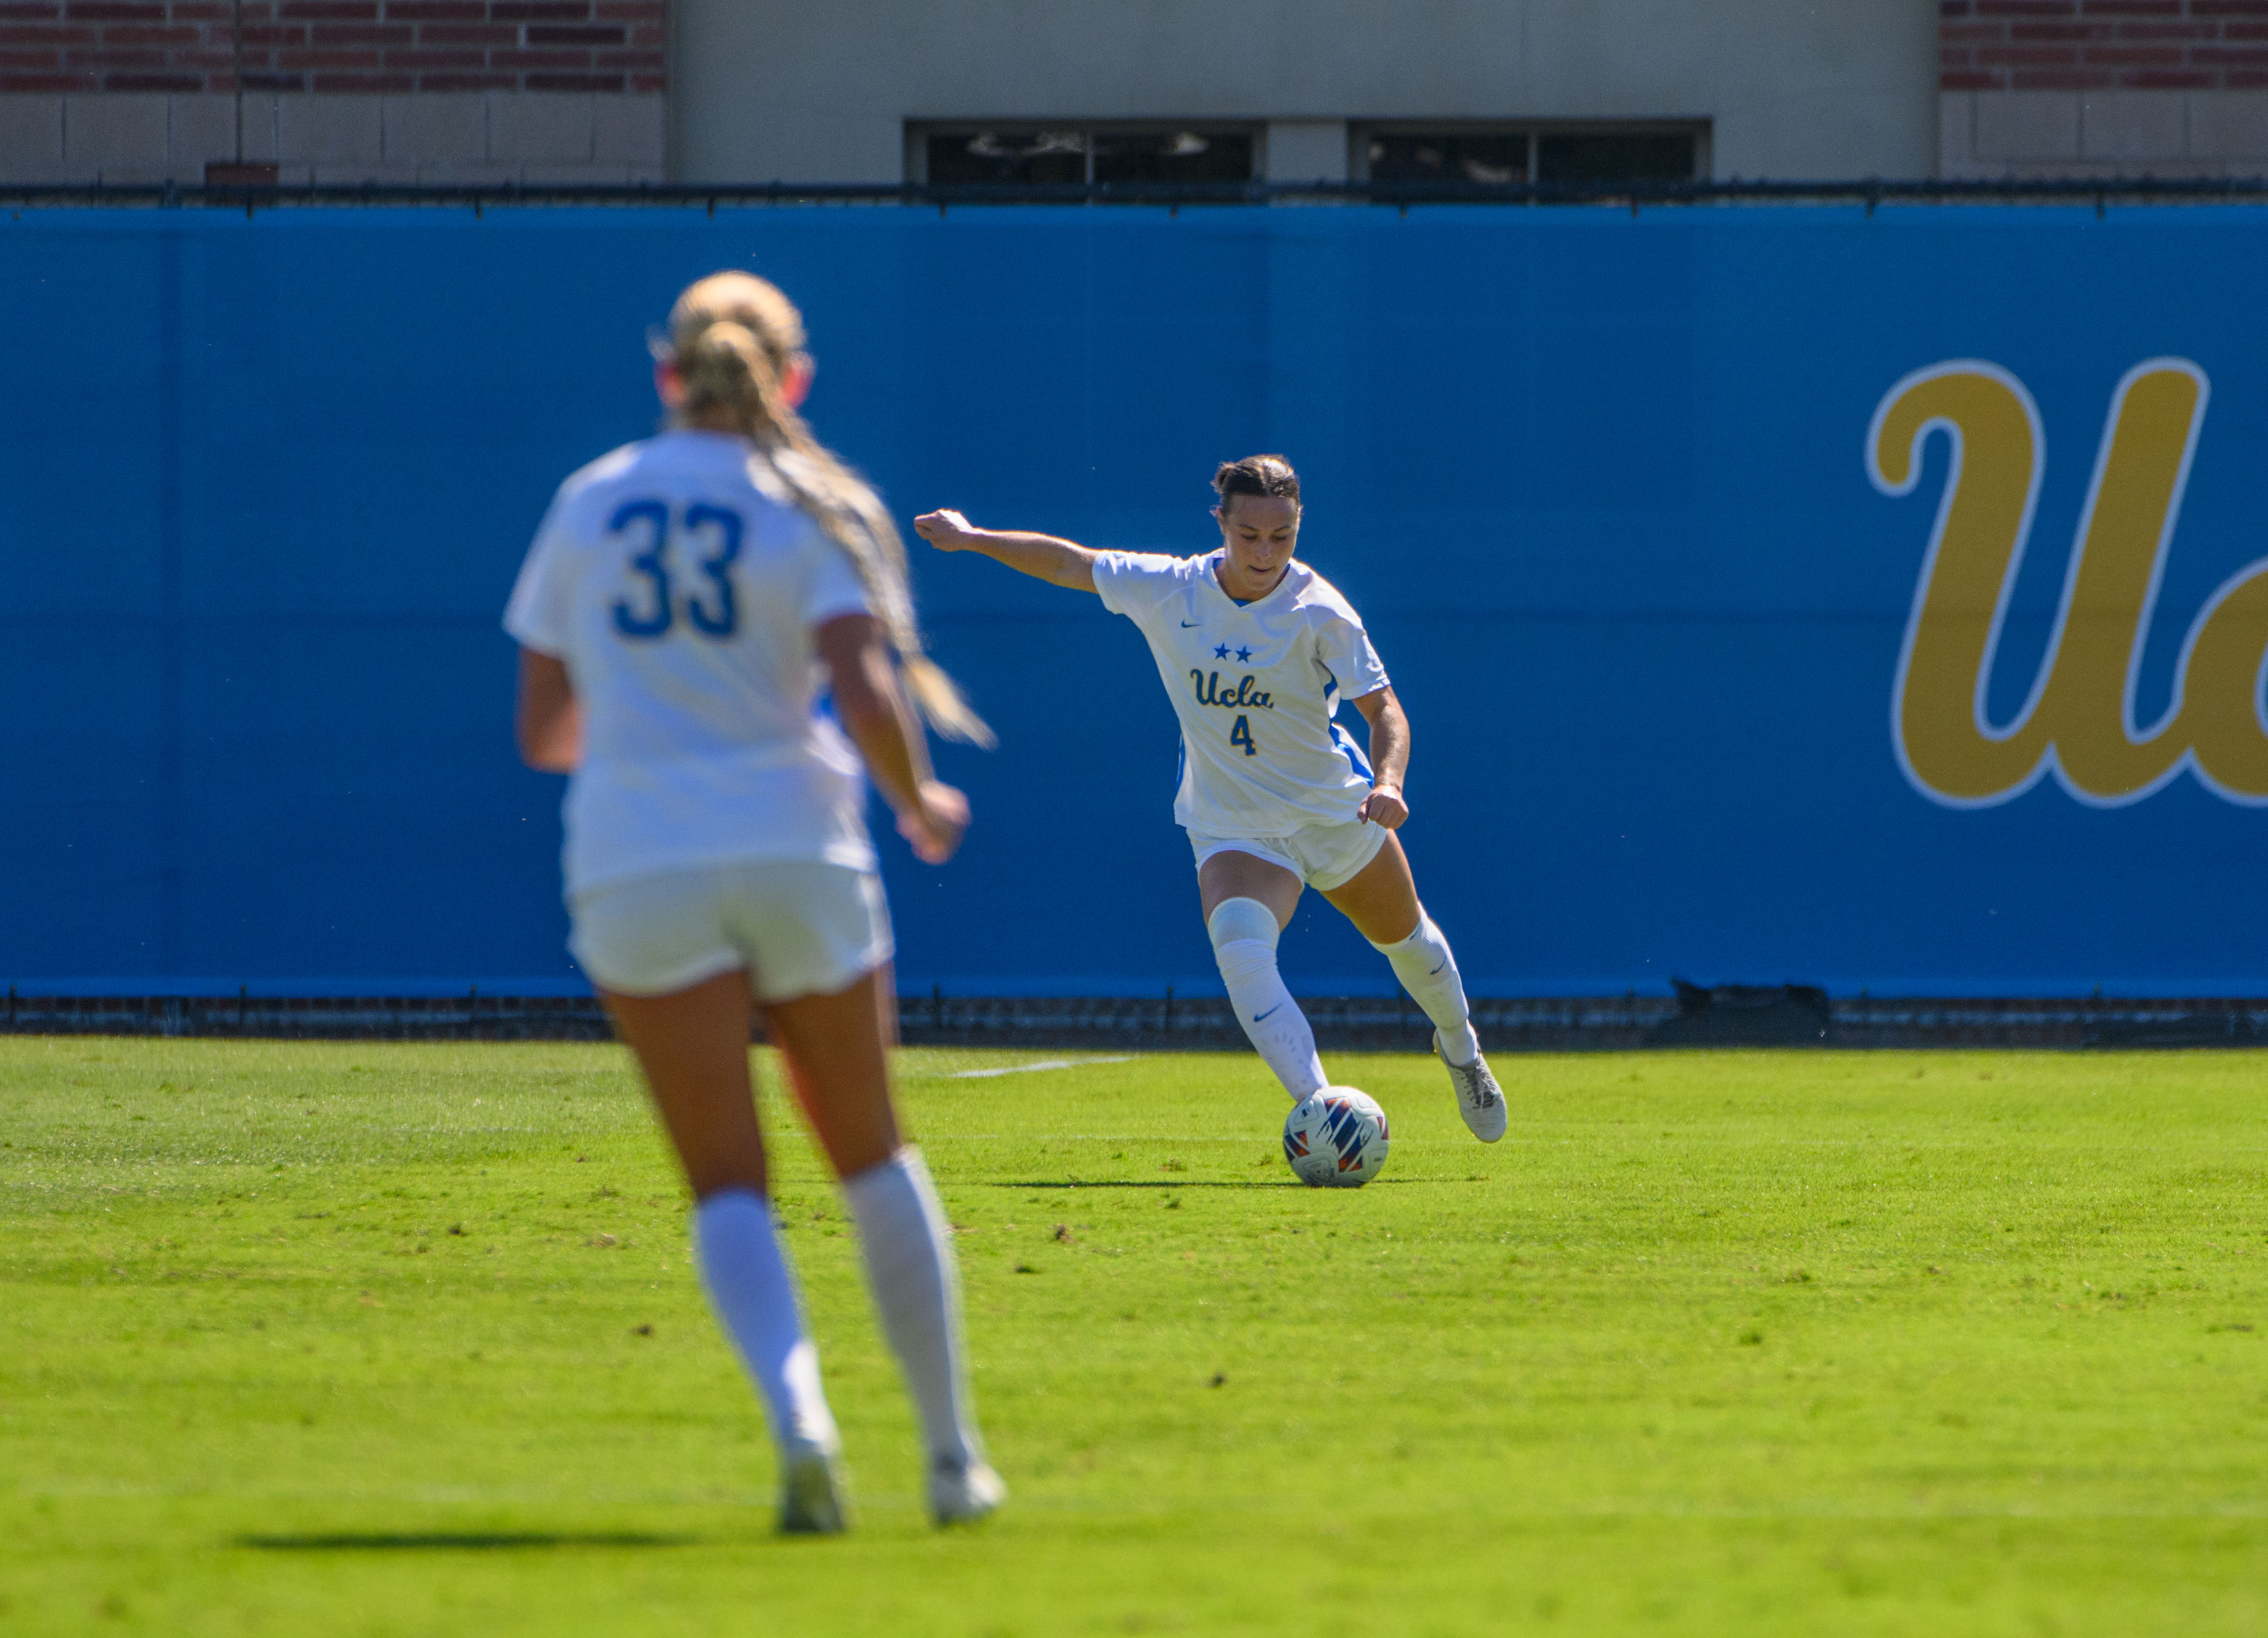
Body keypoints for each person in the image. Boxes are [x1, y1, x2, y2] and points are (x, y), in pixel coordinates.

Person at [506, 270, 1006, 1533]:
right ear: (792, 379)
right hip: (794, 843)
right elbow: (864, 685)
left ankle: (802, 1427)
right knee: (870, 1150)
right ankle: (951, 1462)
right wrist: (918, 803)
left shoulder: (592, 499)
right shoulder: (809, 506)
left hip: (632, 854)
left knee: (728, 1180)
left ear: (667, 371)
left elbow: (543, 728)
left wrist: (651, 739)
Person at [912, 455, 1505, 1141]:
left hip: (1331, 812)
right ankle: (1323, 1114)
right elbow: (1070, 564)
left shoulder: (1320, 610)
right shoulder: (1172, 589)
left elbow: (1386, 712)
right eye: (1248, 534)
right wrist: (972, 536)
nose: (1263, 551)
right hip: (1232, 825)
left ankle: (1461, 1050)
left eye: (1280, 536)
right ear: (1220, 521)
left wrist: (1389, 782)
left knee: (1411, 946)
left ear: (1298, 526)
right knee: (1241, 954)